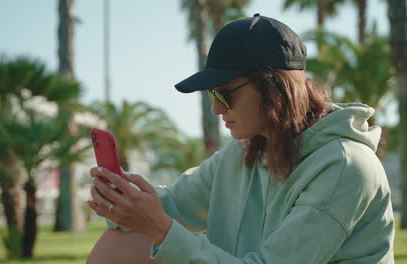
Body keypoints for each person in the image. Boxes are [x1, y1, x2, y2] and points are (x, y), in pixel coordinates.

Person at [85, 14, 395, 264]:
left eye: (224, 93)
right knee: (122, 241)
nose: (216, 108)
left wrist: (159, 228)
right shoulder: (242, 153)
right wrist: (123, 201)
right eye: (212, 94)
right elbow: (171, 206)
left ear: (275, 89)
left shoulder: (346, 165)